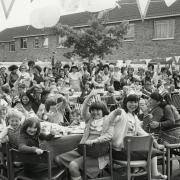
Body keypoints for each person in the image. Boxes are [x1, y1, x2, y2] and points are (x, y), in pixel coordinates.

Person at [55, 90, 121, 180]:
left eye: (98, 110)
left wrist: (94, 140)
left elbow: (109, 135)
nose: (95, 112)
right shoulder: (89, 120)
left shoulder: (108, 120)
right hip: (84, 149)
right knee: (58, 159)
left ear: (103, 111)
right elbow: (84, 109)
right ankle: (77, 175)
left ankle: (77, 173)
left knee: (73, 166)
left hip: (99, 154)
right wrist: (89, 96)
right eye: (93, 110)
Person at [112, 94, 167, 180]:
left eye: (135, 102)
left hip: (129, 149)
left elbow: (141, 132)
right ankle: (152, 173)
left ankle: (145, 171)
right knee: (153, 152)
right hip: (119, 150)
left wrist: (153, 140)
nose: (133, 104)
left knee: (151, 148)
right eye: (130, 102)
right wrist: (113, 116)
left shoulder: (134, 116)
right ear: (125, 102)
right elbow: (111, 120)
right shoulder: (121, 113)